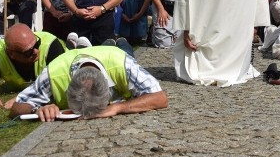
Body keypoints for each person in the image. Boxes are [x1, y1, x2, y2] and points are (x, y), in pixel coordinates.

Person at [9, 45, 168, 121]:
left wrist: (118, 107)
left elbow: (160, 98)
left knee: (124, 46)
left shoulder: (122, 63)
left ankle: (115, 41)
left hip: (114, 50)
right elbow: (16, 106)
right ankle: (79, 47)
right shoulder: (53, 73)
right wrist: (38, 109)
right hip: (71, 58)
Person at [0, 23, 66, 108]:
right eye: (28, 52)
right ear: (11, 54)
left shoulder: (50, 45)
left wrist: (24, 97)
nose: (36, 51)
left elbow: (61, 86)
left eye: (36, 44)